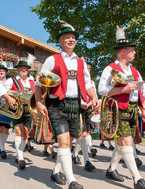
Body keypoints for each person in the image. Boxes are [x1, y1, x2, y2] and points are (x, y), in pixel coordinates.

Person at [35, 22, 100, 189]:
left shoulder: (81, 62)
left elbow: (87, 83)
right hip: (57, 104)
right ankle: (72, 181)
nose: (71, 39)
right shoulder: (52, 59)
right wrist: (38, 102)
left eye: (73, 37)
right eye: (67, 37)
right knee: (63, 142)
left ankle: (56, 171)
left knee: (68, 142)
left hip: (75, 105)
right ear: (61, 41)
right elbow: (39, 83)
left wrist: (94, 98)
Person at [98, 27, 145, 189]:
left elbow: (142, 90)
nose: (135, 53)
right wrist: (122, 90)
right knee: (126, 141)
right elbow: (102, 90)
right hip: (118, 108)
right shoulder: (110, 68)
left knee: (121, 141)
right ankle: (137, 178)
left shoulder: (134, 70)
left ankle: (111, 169)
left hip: (132, 109)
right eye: (132, 50)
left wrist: (142, 106)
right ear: (123, 51)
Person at [0, 60, 35, 169]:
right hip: (17, 109)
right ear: (18, 70)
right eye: (21, 68)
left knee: (25, 134)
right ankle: (21, 158)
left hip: (29, 109)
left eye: (25, 68)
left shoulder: (32, 81)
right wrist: (9, 98)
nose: (24, 70)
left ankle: (19, 154)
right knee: (19, 131)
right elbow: (2, 90)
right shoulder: (11, 80)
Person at [72, 62, 97, 171]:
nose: (87, 70)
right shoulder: (76, 81)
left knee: (84, 134)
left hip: (88, 107)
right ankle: (87, 161)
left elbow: (93, 95)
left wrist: (90, 104)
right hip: (78, 107)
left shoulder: (91, 82)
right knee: (81, 134)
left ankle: (75, 154)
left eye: (89, 68)